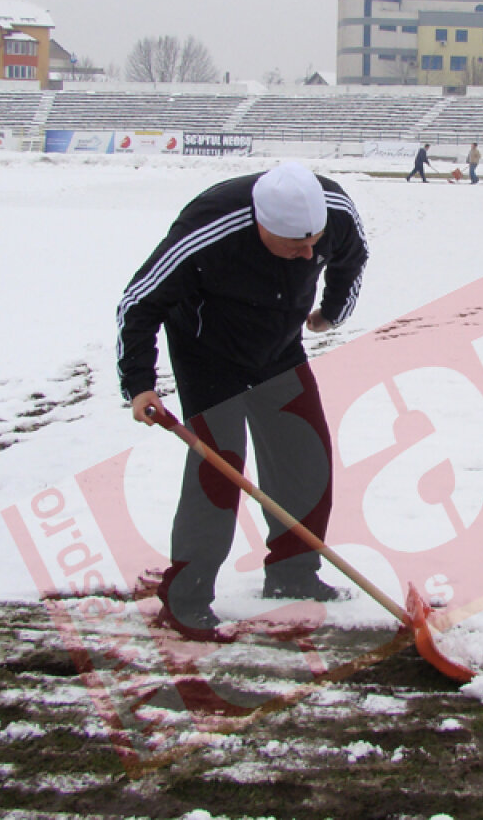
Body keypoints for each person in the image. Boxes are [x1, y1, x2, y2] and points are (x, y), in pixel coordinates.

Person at [116, 161, 370, 641]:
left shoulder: (332, 214)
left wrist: (332, 311)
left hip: (278, 343)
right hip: (208, 350)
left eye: (313, 243)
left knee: (305, 454)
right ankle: (185, 598)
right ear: (262, 226)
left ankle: (293, 573)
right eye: (295, 246)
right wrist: (139, 383)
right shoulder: (207, 233)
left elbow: (352, 258)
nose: (307, 254)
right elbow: (138, 301)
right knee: (219, 466)